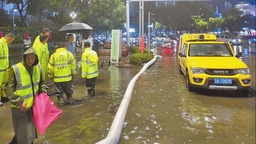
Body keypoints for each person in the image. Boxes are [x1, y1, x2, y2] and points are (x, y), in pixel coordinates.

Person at [6, 48, 46, 144]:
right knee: (22, 133)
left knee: (29, 131)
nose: (30, 60)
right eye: (28, 58)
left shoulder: (38, 68)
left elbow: (41, 83)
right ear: (24, 58)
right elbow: (8, 88)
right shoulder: (16, 69)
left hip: (32, 106)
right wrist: (19, 102)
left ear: (35, 58)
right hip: (19, 108)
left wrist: (43, 92)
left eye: (32, 58)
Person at [48, 42, 76, 106]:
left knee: (59, 91)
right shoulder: (69, 54)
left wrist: (50, 76)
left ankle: (61, 101)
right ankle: (70, 99)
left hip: (57, 78)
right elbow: (73, 65)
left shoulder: (53, 55)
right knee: (69, 89)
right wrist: (73, 73)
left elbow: (50, 67)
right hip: (67, 77)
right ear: (64, 46)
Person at [0, 32, 15, 106]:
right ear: (9, 38)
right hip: (0, 68)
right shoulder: (1, 43)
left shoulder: (5, 44)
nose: (11, 42)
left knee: (4, 84)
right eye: (12, 40)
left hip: (4, 68)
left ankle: (3, 96)